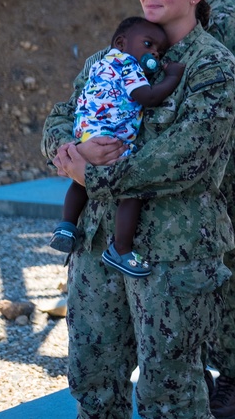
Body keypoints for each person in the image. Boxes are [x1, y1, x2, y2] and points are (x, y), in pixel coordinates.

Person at [42, 0, 235, 419]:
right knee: (93, 381)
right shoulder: (112, 54)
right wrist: (66, 150)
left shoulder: (212, 69)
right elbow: (62, 115)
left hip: (172, 255)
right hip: (96, 249)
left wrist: (91, 173)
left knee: (170, 393)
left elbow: (186, 159)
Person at [156, 0, 235, 419]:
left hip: (223, 157)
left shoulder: (222, 18)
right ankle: (196, 367)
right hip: (209, 150)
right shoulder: (214, 6)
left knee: (222, 264)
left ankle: (233, 377)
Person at [49, 16, 185, 279]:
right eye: (148, 45)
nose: (153, 54)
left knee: (81, 183)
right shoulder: (129, 65)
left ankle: (66, 226)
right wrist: (172, 76)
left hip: (87, 137)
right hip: (112, 142)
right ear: (122, 43)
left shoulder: (99, 63)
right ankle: (120, 249)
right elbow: (149, 97)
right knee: (130, 192)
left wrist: (79, 148)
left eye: (158, 51)